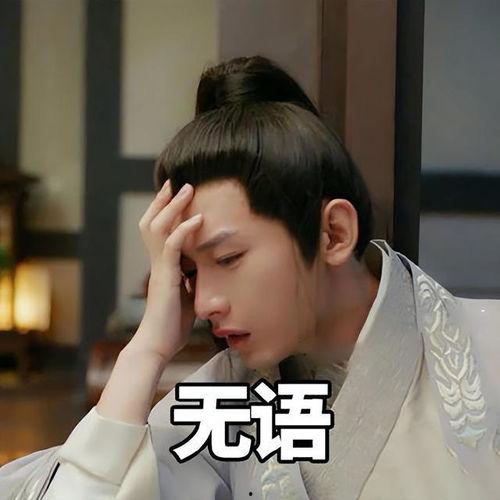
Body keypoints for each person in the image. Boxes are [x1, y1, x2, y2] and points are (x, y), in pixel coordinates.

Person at [1, 56, 499, 500]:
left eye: (229, 257)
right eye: (189, 272)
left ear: (333, 233)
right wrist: (146, 350)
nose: (204, 304)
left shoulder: (488, 351)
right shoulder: (229, 402)